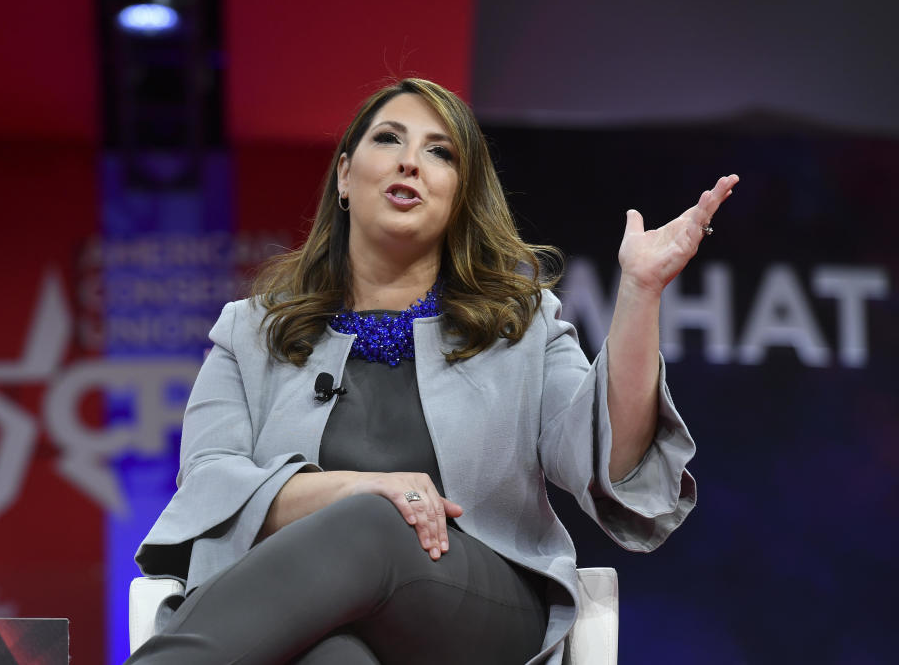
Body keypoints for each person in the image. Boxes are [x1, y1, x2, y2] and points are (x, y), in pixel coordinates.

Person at [126, 78, 738, 665]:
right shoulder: (249, 331)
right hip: (308, 619)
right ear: (345, 175)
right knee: (326, 655)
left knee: (373, 525)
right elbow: (208, 484)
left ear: (458, 194)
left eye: (439, 152)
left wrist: (640, 293)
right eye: (388, 139)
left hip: (476, 617)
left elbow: (609, 459)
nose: (409, 162)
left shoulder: (521, 327)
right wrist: (357, 486)